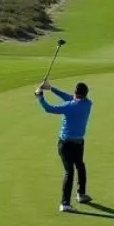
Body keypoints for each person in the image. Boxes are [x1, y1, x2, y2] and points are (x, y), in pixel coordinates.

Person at [35, 81, 93, 213]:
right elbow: (70, 98)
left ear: (75, 93)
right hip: (77, 143)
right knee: (78, 167)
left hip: (65, 144)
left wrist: (40, 97)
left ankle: (71, 200)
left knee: (70, 171)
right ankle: (70, 200)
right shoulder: (88, 103)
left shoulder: (69, 106)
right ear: (85, 94)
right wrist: (51, 89)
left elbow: (49, 108)